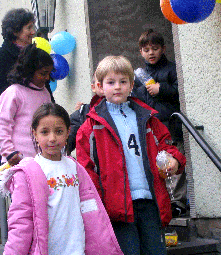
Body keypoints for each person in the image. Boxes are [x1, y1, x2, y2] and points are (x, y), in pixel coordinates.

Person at [76, 55, 186, 255]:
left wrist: (174, 159)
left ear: (131, 85)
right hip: (115, 207)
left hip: (150, 200)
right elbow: (86, 171)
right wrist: (97, 205)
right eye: (111, 82)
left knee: (156, 251)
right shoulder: (90, 128)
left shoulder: (148, 118)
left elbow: (165, 144)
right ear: (99, 86)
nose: (117, 87)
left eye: (123, 82)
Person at [0, 103, 123, 255]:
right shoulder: (28, 173)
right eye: (44, 132)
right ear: (34, 134)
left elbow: (92, 214)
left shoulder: (76, 168)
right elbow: (20, 222)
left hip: (77, 250)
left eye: (59, 131)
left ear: (68, 132)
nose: (52, 138)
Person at [132, 29, 187, 217]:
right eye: (146, 49)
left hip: (171, 125)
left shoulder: (172, 69)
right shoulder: (138, 76)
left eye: (155, 48)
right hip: (151, 129)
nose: (151, 53)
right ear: (141, 52)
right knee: (156, 166)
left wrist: (161, 88)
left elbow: (183, 91)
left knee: (174, 163)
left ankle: (178, 201)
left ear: (163, 49)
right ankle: (163, 201)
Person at [0, 8, 54, 134]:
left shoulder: (36, 54)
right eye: (29, 28)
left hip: (42, 127)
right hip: (16, 129)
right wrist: (2, 138)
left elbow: (46, 87)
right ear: (15, 31)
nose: (33, 32)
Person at [0, 44, 54, 167]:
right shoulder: (14, 92)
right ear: (29, 70)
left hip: (41, 161)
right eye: (43, 73)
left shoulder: (44, 93)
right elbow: (2, 124)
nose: (47, 78)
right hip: (17, 161)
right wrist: (8, 152)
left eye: (48, 73)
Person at [67, 74, 104, 155]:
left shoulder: (134, 110)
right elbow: (65, 145)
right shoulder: (81, 114)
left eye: (122, 81)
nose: (116, 86)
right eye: (102, 81)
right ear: (94, 87)